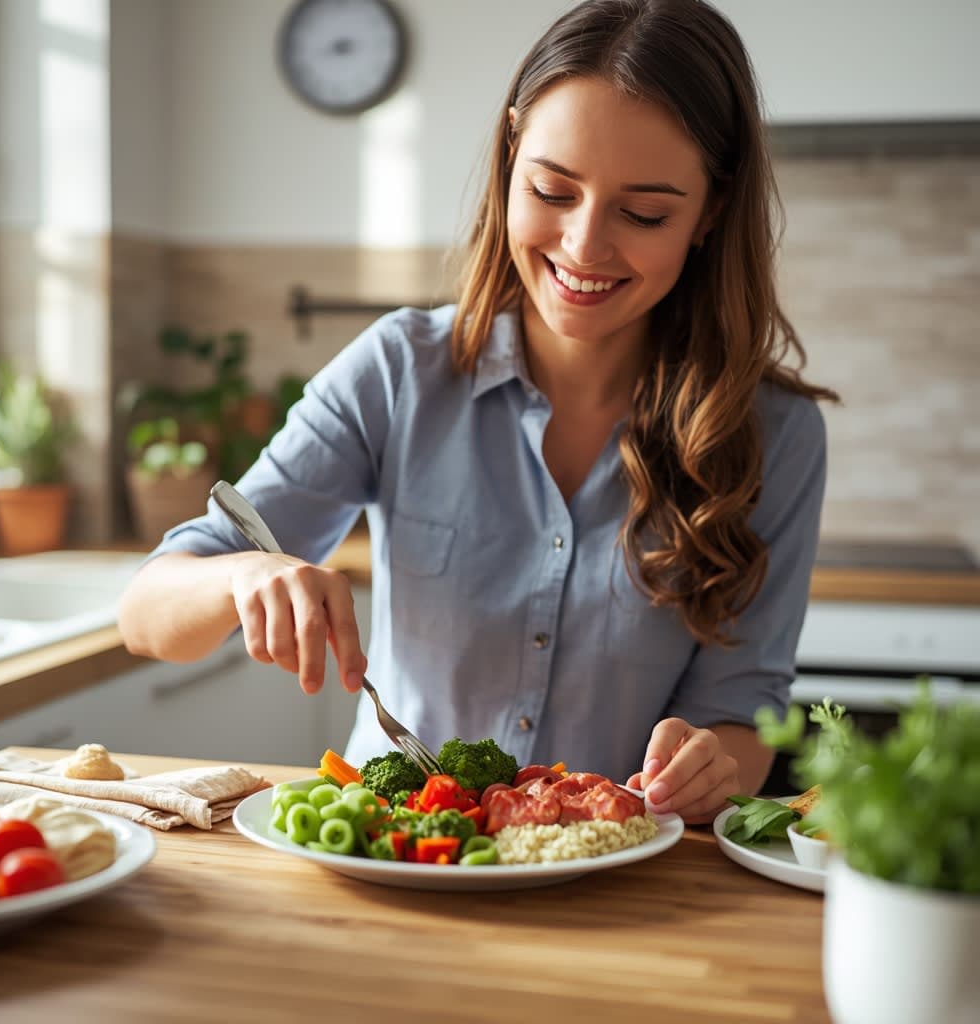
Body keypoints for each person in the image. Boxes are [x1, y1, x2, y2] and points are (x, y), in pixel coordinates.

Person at [118, 0, 837, 824]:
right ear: (508, 159)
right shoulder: (400, 371)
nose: (584, 246)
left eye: (643, 213)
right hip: (389, 856)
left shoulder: (774, 434)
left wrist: (712, 766)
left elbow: (742, 713)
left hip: (611, 881)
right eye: (551, 190)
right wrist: (247, 574)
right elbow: (147, 614)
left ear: (710, 212)